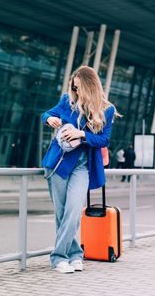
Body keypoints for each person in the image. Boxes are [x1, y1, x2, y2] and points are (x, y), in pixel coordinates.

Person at [41, 65, 119, 274]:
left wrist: (81, 135)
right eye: (73, 88)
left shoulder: (107, 109)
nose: (74, 92)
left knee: (74, 212)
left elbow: (104, 139)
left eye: (78, 88)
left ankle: (58, 257)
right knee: (62, 214)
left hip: (82, 166)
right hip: (58, 164)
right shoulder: (67, 101)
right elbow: (46, 113)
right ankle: (73, 255)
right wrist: (49, 119)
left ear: (89, 86)